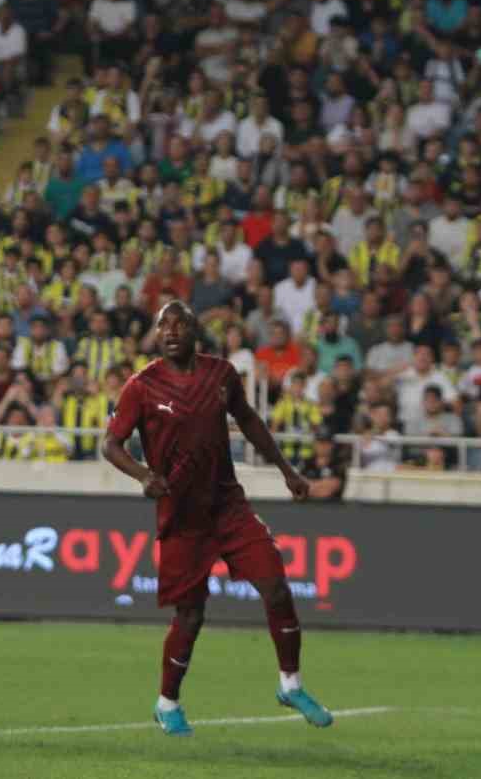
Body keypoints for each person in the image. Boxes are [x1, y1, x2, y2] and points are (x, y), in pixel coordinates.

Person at [103, 300, 331, 737]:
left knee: (276, 585)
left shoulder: (221, 375)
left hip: (228, 506)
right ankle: (167, 703)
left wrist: (287, 471)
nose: (169, 331)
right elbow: (111, 444)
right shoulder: (142, 385)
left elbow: (248, 420)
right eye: (161, 325)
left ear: (194, 331)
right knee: (190, 615)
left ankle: (291, 684)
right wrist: (143, 475)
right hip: (181, 514)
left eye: (178, 324)